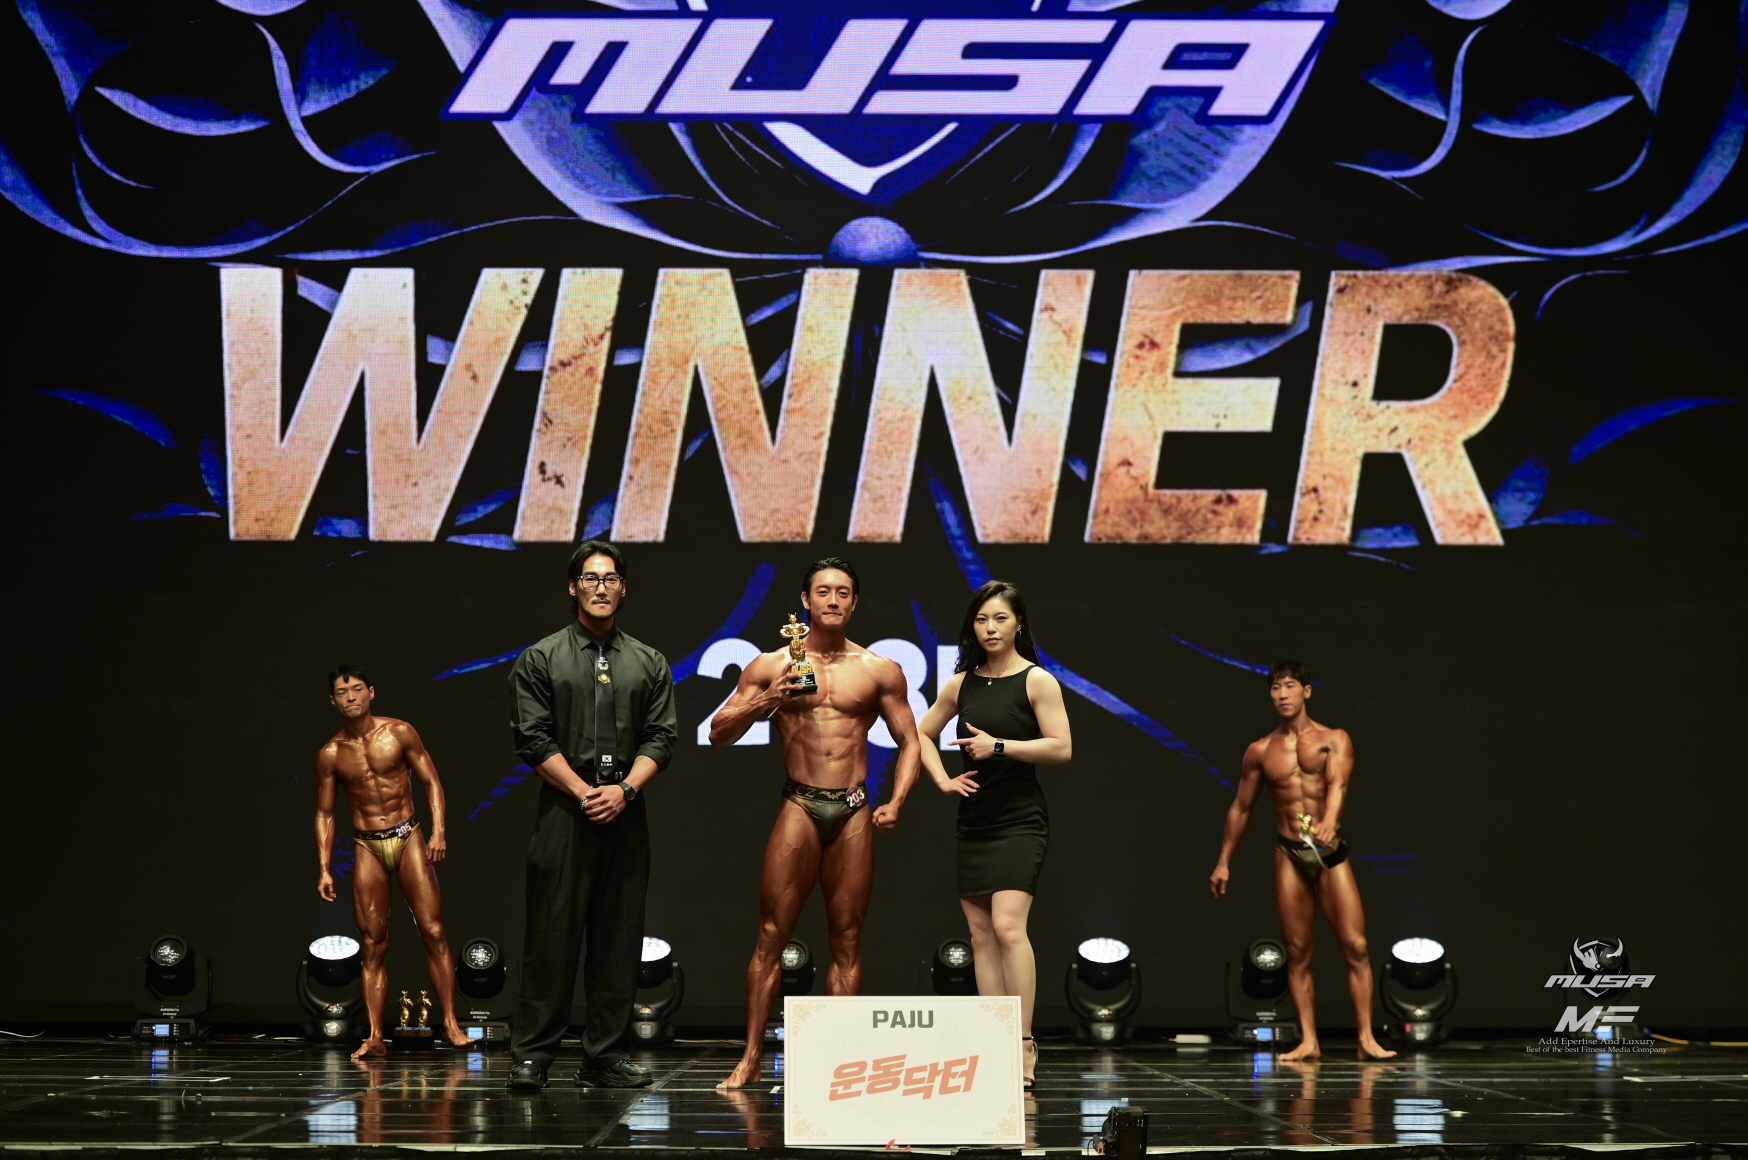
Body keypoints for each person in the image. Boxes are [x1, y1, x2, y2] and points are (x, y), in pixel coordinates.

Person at [708, 557, 923, 1090]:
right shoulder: (771, 664)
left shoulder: (879, 669)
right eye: (823, 591)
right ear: (805, 601)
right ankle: (751, 1058)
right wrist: (769, 698)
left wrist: (896, 801)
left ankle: (835, 1060)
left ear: (855, 602)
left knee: (847, 938)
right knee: (770, 935)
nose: (833, 600)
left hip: (853, 807)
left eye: (843, 592)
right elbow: (718, 733)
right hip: (800, 804)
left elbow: (910, 741)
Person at [505, 540, 679, 1090]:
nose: (600, 587)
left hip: (626, 809)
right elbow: (532, 738)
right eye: (590, 578)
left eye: (610, 579)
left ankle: (604, 1055)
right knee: (551, 936)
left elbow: (662, 737)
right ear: (573, 586)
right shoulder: (541, 658)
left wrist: (624, 790)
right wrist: (585, 792)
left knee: (619, 938)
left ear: (623, 588)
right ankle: (532, 1055)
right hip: (566, 808)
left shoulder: (649, 661)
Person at [915, 581, 1072, 1091]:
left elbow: (1061, 747)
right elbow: (921, 733)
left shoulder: (1037, 680)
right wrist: (943, 779)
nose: (990, 628)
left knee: (1007, 928)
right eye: (982, 619)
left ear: (1018, 624)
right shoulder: (960, 684)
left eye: (1000, 618)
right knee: (980, 935)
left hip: (1020, 818)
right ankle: (994, 1042)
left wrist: (999, 746)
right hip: (975, 819)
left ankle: (1024, 1044)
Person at [1209, 659, 1397, 1061]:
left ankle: (1366, 1039)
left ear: (1306, 691)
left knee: (1356, 945)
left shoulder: (1333, 739)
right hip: (1290, 852)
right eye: (1276, 688)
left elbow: (1338, 783)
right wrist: (1224, 861)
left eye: (1290, 686)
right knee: (1297, 950)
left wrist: (1330, 819)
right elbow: (1242, 807)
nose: (1283, 695)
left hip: (1328, 851)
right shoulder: (1261, 750)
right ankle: (1309, 1040)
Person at [314, 664, 475, 1059]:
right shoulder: (331, 754)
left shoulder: (400, 732)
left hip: (408, 837)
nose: (350, 697)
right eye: (342, 692)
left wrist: (438, 832)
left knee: (433, 932)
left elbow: (431, 781)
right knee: (373, 944)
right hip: (367, 844)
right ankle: (373, 1036)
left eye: (356, 689)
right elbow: (326, 813)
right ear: (332, 701)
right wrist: (324, 867)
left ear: (371, 692)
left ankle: (451, 1024)